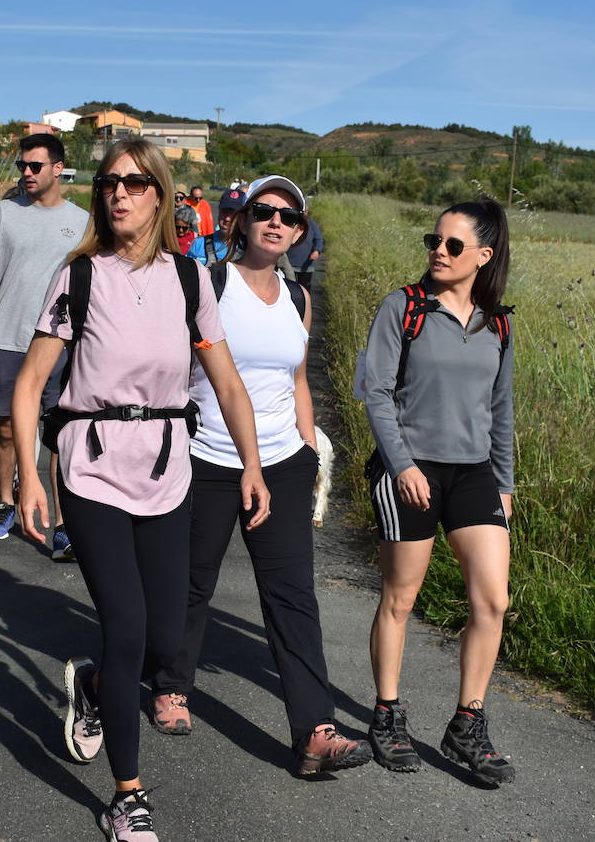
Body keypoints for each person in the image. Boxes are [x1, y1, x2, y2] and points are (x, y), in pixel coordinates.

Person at [13, 138, 270, 842]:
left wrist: (251, 464)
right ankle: (127, 795)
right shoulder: (79, 278)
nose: (119, 193)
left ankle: (96, 688)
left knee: (161, 639)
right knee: (124, 626)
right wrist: (29, 476)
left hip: (166, 470)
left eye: (133, 182)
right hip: (92, 466)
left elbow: (225, 381)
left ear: (159, 193)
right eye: (108, 183)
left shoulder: (190, 281)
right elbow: (33, 381)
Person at [149, 175, 372, 777]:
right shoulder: (209, 283)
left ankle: (315, 730)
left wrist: (309, 449)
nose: (276, 222)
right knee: (192, 583)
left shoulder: (299, 298)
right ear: (242, 222)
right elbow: (176, 364)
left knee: (293, 594)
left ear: (300, 234)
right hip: (208, 457)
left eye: (289, 217)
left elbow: (296, 379)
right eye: (264, 212)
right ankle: (171, 686)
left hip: (282, 462)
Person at [361, 198, 515, 786]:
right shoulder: (405, 308)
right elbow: (375, 392)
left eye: (453, 245)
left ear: (484, 255)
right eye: (435, 240)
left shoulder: (497, 322)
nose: (439, 252)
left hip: (474, 472)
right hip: (411, 468)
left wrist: (504, 485)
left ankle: (467, 723)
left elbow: (501, 411)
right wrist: (402, 466)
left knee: (493, 599)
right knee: (401, 597)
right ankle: (387, 714)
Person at [0, 133, 87, 556]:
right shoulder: (1, 213)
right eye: (22, 166)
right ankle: (5, 501)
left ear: (58, 169)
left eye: (35, 166)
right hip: (8, 338)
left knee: (56, 433)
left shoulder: (83, 220)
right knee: (2, 425)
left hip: (62, 341)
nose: (27, 173)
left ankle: (60, 519)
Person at [186, 187, 242, 267]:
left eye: (233, 214)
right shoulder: (198, 244)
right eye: (224, 212)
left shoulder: (250, 249)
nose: (227, 218)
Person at [286, 208, 324, 293]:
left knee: (305, 290)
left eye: (304, 211)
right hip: (289, 264)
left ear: (307, 212)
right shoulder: (289, 222)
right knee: (289, 290)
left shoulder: (312, 224)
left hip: (306, 265)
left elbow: (318, 239)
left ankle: (304, 305)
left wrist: (317, 251)